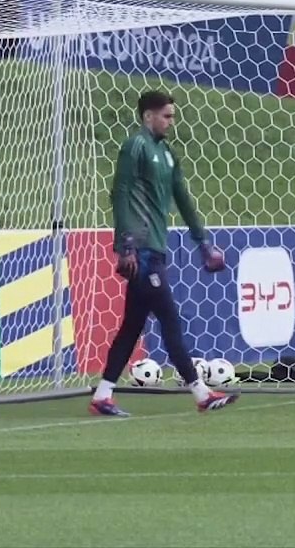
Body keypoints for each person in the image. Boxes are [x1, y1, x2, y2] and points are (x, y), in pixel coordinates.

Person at [89, 90, 238, 417]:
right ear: (148, 116)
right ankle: (201, 394)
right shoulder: (135, 147)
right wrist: (125, 244)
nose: (171, 121)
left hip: (155, 249)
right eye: (166, 116)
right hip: (140, 251)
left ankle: (103, 396)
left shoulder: (167, 154)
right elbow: (121, 193)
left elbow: (182, 198)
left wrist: (204, 243)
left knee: (131, 327)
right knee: (169, 318)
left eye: (172, 115)